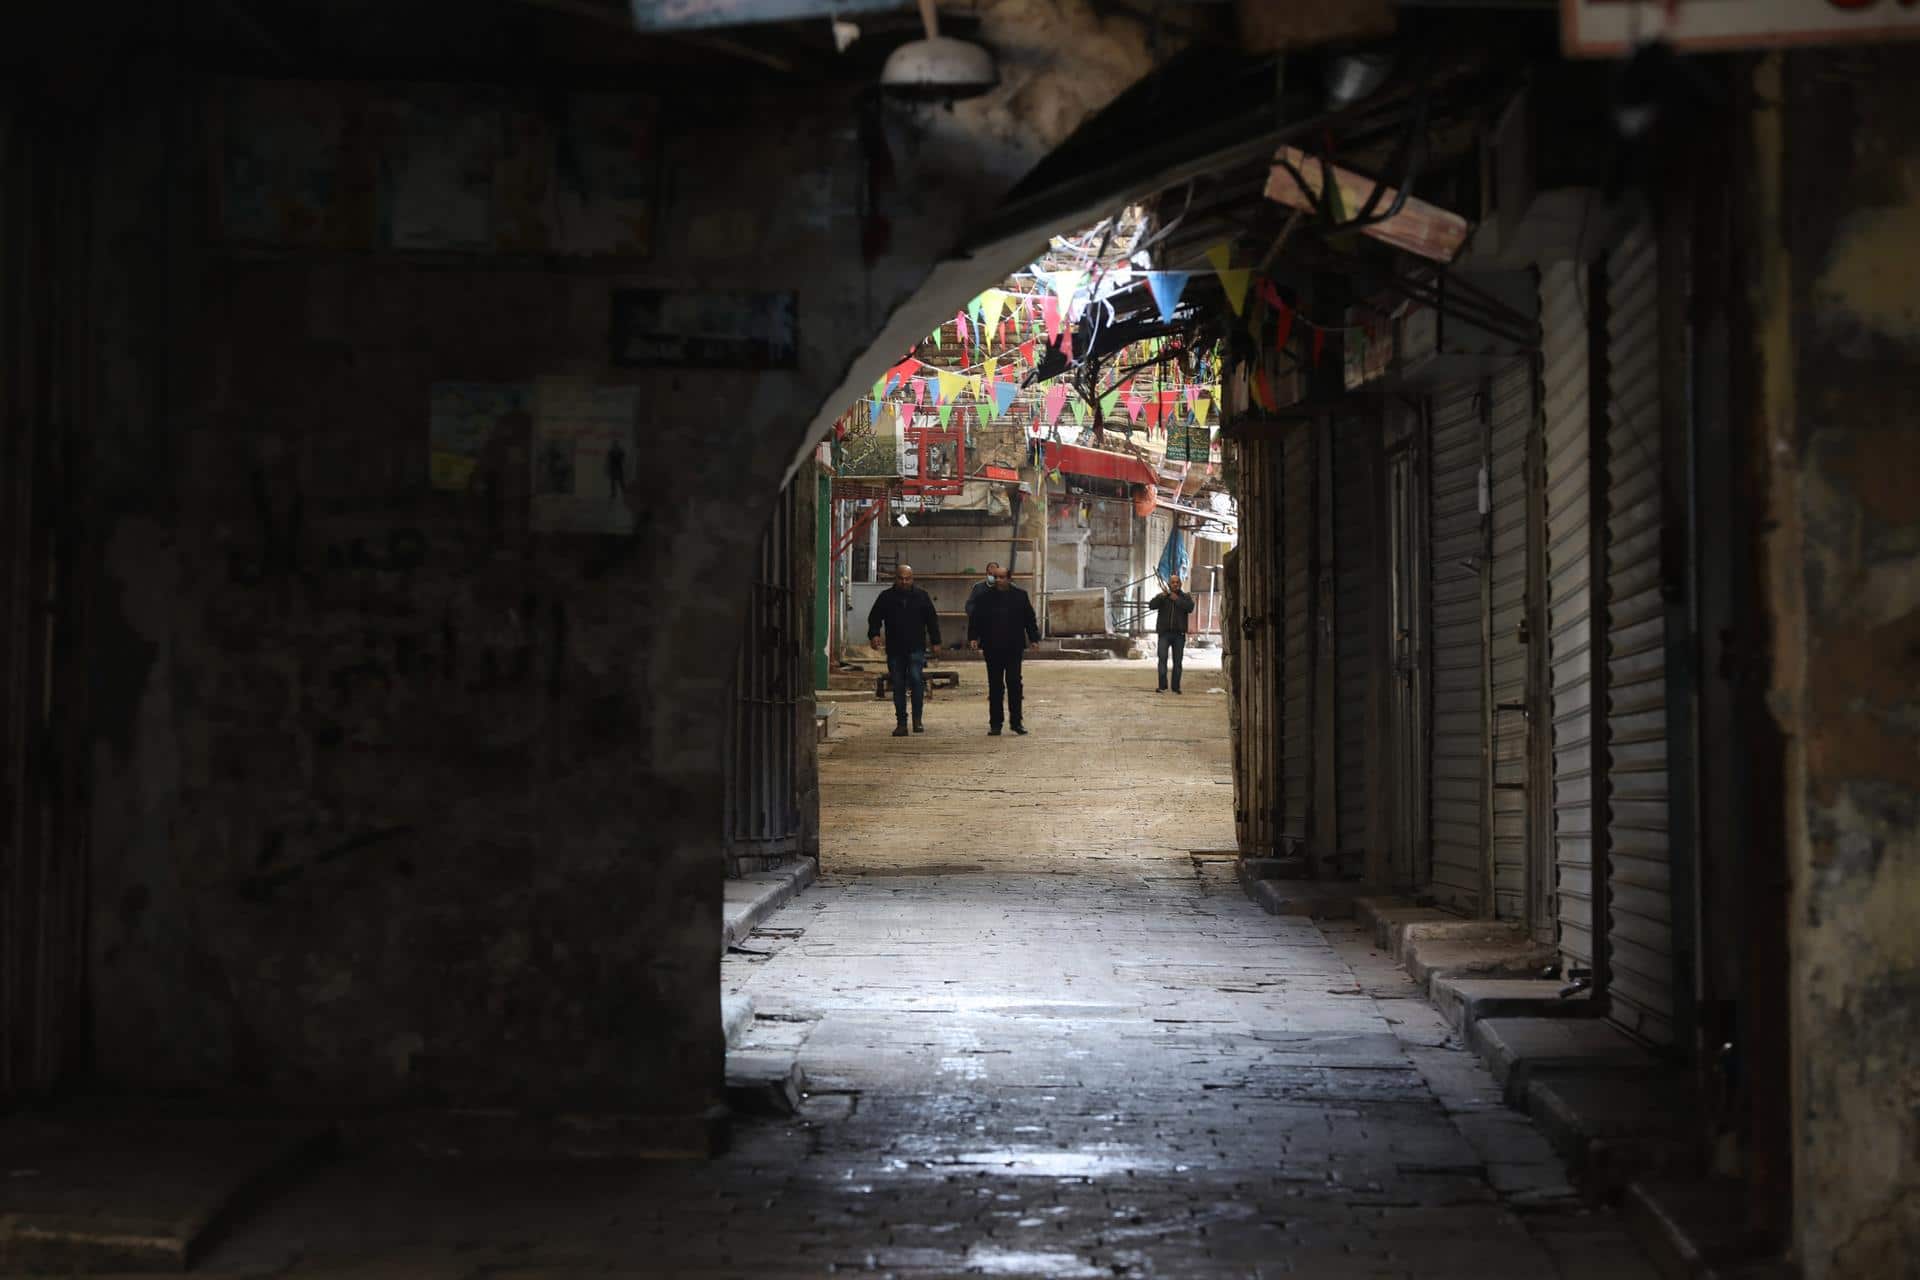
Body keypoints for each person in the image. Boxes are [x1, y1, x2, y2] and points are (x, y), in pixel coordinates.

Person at [867, 563, 941, 737]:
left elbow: (932, 620)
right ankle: (901, 723)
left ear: (912, 579)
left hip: (916, 647)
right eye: (901, 578)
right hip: (895, 648)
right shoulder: (886, 597)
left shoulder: (922, 597)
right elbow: (875, 618)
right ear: (896, 579)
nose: (904, 582)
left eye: (907, 579)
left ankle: (917, 720)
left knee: (916, 679)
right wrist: (874, 635)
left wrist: (936, 642)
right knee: (898, 684)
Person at [967, 564, 1040, 737]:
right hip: (992, 647)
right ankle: (995, 724)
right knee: (995, 686)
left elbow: (1029, 619)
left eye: (1001, 577)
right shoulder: (984, 598)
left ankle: (1016, 722)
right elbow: (975, 619)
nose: (997, 580)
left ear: (1009, 578)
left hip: (1013, 647)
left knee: (1014, 683)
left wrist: (1034, 638)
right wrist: (973, 637)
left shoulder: (1020, 596)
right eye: (995, 577)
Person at [1146, 575, 1197, 694]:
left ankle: (1176, 687)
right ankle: (1162, 686)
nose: (1175, 584)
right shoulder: (1163, 597)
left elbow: (1190, 608)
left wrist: (1177, 599)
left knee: (1177, 662)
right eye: (1172, 582)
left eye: (1177, 582)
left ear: (1180, 584)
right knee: (1162, 659)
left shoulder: (1185, 597)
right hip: (1164, 634)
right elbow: (1151, 605)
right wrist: (1161, 597)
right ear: (1169, 584)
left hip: (1179, 634)